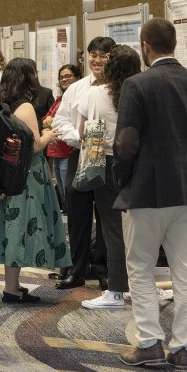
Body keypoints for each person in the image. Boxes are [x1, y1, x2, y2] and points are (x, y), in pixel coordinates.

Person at [114, 18, 187, 371]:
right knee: (186, 270)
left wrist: (121, 179)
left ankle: (149, 344)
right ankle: (184, 349)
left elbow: (126, 142)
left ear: (145, 44)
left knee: (140, 267)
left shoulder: (136, 84)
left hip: (144, 190)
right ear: (175, 43)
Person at [0, 58, 67, 303]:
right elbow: (32, 146)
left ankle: (13, 284)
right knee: (21, 227)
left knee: (10, 225)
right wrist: (48, 135)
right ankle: (11, 289)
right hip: (28, 174)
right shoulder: (26, 107)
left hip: (7, 174)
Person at [73, 45, 142, 310]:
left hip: (103, 160)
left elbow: (82, 133)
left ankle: (115, 291)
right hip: (136, 162)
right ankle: (140, 287)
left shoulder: (95, 93)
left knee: (112, 229)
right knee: (141, 229)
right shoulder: (140, 91)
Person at [51, 36, 115, 290]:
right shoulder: (77, 88)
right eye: (93, 55)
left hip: (109, 155)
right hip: (82, 153)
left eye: (103, 56)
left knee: (107, 214)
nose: (97, 60)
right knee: (77, 212)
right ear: (85, 57)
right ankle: (76, 271)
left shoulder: (120, 87)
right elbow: (60, 120)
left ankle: (103, 269)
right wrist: (79, 136)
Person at [44, 64, 81, 208]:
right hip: (56, 151)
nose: (64, 80)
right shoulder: (59, 99)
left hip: (68, 151)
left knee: (68, 191)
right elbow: (45, 120)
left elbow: (72, 120)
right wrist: (53, 121)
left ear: (77, 77)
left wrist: (53, 121)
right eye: (61, 77)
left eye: (68, 76)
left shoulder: (79, 96)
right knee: (61, 191)